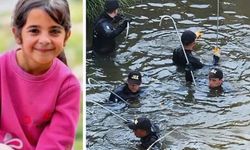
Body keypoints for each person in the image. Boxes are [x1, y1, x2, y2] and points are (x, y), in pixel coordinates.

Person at [0, 0, 80, 149]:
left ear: (66, 37)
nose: (44, 40)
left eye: (54, 31)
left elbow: (57, 142)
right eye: (34, 31)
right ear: (17, 35)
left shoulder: (68, 85)